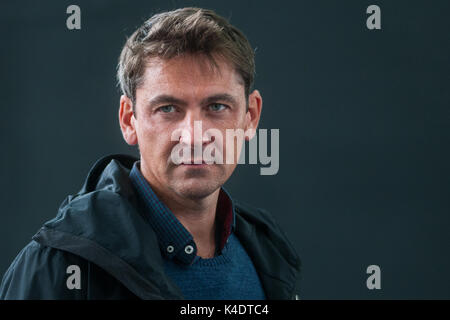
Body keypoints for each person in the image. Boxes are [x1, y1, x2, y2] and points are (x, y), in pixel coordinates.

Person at [0, 7, 301, 300]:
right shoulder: (59, 266)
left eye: (217, 107)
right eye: (167, 109)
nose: (194, 135)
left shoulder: (266, 251)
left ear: (250, 116)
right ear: (129, 120)